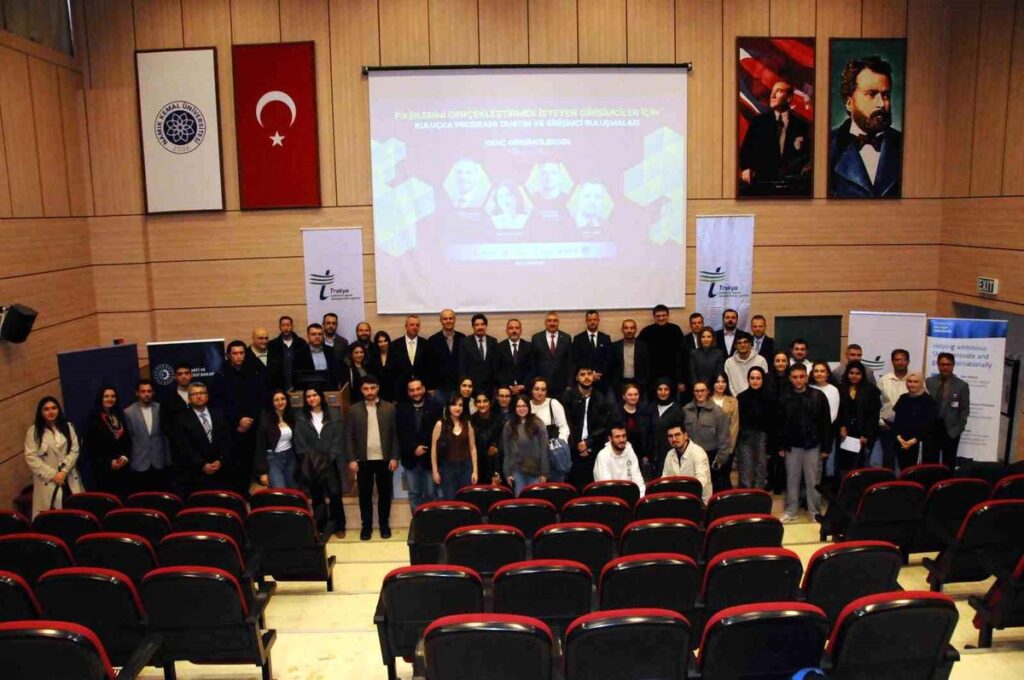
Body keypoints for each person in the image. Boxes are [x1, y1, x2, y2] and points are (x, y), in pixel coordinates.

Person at [828, 55, 903, 198]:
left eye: (886, 95)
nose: (881, 104)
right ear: (849, 102)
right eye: (871, 94)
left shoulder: (904, 146)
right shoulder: (827, 147)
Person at [345, 375, 400, 540]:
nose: (369, 391)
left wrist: (395, 457)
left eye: (372, 388)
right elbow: (349, 437)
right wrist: (352, 458)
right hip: (363, 460)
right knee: (364, 495)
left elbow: (395, 435)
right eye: (366, 389)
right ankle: (366, 527)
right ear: (361, 390)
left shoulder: (390, 408)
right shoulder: (354, 410)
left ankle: (384, 525)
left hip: (385, 459)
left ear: (378, 388)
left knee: (385, 494)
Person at [211, 340, 268, 494]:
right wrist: (238, 421)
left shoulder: (254, 373)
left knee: (248, 461)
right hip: (230, 428)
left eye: (241, 353)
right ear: (228, 355)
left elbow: (261, 399)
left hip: (251, 425)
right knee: (231, 462)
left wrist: (249, 420)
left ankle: (244, 493)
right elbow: (218, 403)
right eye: (235, 353)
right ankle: (233, 495)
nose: (238, 356)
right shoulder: (220, 376)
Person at [739, 77, 812, 197]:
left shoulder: (801, 125)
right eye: (772, 91)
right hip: (762, 186)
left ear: (789, 98)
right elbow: (745, 152)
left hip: (792, 189)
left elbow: (807, 155)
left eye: (779, 91)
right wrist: (746, 168)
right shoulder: (758, 122)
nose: (772, 95)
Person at [777, 364, 832, 523]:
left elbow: (825, 423)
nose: (798, 380)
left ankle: (814, 512)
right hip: (791, 445)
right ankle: (791, 511)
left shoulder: (818, 396)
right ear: (790, 378)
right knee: (792, 480)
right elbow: (779, 423)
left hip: (812, 445)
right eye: (795, 377)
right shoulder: (784, 397)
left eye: (801, 376)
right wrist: (780, 445)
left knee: (813, 480)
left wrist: (826, 447)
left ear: (807, 377)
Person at [294, 386, 347, 538]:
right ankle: (321, 526)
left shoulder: (334, 414)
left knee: (335, 494)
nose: (312, 398)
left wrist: (330, 456)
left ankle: (339, 526)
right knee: (317, 496)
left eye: (314, 395)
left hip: (330, 462)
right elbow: (300, 442)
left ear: (321, 396)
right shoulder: (301, 417)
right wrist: (312, 459)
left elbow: (338, 438)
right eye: (308, 396)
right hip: (312, 464)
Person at [24, 396, 84, 517]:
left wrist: (64, 471)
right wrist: (53, 475)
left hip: (68, 475)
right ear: (41, 412)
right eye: (46, 409)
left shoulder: (68, 426)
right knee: (53, 516)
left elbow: (75, 450)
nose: (51, 411)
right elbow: (31, 457)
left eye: (53, 408)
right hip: (48, 480)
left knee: (76, 512)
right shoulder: (34, 431)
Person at [172, 382, 232, 492]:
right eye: (194, 394)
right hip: (195, 474)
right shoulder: (181, 419)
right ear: (189, 399)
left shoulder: (219, 414)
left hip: (221, 470)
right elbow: (184, 447)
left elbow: (227, 439)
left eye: (201, 393)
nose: (199, 396)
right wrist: (202, 465)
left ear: (207, 396)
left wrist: (221, 460)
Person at [561, 364, 611, 490]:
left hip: (594, 447)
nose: (587, 377)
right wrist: (578, 444)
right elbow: (566, 423)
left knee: (593, 487)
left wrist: (588, 443)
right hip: (572, 448)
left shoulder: (600, 398)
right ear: (577, 378)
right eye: (582, 374)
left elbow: (603, 425)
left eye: (589, 374)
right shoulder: (568, 396)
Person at [396, 378, 443, 512]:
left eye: (418, 389)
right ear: (408, 392)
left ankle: (431, 520)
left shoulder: (436, 407)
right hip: (410, 459)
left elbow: (439, 432)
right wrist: (413, 449)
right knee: (414, 493)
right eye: (412, 390)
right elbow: (400, 433)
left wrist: (425, 448)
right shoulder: (401, 408)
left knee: (431, 493)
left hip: (430, 459)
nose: (416, 392)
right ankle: (417, 521)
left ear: (423, 389)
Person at [682, 381, 732, 494]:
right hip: (690, 456)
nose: (699, 394)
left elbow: (724, 438)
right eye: (697, 391)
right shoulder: (686, 410)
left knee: (710, 491)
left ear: (708, 391)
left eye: (702, 390)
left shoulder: (718, 412)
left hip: (710, 457)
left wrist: (719, 461)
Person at [123, 379, 171, 492]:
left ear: (153, 392)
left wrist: (168, 458)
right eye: (143, 391)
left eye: (149, 391)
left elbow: (165, 435)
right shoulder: (128, 412)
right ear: (137, 393)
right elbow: (128, 437)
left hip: (159, 459)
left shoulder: (161, 408)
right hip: (139, 460)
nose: (146, 394)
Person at [836, 361, 882, 477]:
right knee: (844, 463)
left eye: (857, 373)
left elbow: (873, 415)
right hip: (845, 431)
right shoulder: (840, 388)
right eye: (851, 373)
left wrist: (866, 434)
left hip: (862, 431)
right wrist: (841, 427)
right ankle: (844, 485)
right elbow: (838, 411)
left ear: (862, 375)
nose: (854, 376)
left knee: (860, 463)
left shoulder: (871, 390)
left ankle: (859, 486)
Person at [925, 353, 970, 468]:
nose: (945, 367)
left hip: (951, 429)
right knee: (930, 462)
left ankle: (948, 479)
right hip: (932, 428)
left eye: (948, 364)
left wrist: (959, 429)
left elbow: (964, 410)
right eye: (942, 364)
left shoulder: (962, 385)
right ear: (938, 365)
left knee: (949, 462)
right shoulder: (929, 382)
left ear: (953, 365)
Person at [86, 385, 132, 496]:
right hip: (104, 471)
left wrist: (125, 457)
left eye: (113, 396)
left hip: (123, 469)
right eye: (106, 396)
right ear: (100, 398)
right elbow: (91, 448)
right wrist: (109, 463)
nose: (110, 399)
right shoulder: (93, 419)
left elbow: (127, 440)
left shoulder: (120, 415)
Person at [431, 395, 478, 500]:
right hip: (447, 468)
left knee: (466, 500)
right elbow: (434, 449)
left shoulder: (468, 425)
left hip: (466, 467)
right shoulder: (440, 424)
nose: (458, 408)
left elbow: (473, 449)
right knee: (450, 500)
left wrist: (475, 471)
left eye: (460, 405)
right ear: (448, 407)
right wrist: (435, 471)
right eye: (454, 405)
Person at [736, 367, 774, 490]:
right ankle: (745, 497)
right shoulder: (741, 397)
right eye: (752, 378)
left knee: (761, 470)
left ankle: (758, 497)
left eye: (758, 378)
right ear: (748, 379)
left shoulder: (769, 398)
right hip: (745, 438)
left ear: (763, 379)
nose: (755, 381)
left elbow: (772, 423)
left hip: (763, 439)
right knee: (746, 471)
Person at [502, 394, 549, 491]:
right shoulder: (509, 425)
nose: (521, 409)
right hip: (517, 470)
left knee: (534, 498)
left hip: (535, 470)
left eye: (524, 406)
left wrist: (544, 472)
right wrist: (507, 473)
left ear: (529, 407)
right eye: (518, 406)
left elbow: (544, 449)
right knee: (519, 498)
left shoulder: (537, 423)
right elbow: (507, 451)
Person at [893, 373, 939, 471]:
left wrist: (913, 440)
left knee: (915, 472)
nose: (912, 384)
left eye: (916, 382)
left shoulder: (929, 401)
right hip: (902, 442)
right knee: (903, 471)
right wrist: (899, 437)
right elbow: (897, 420)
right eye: (909, 381)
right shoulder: (903, 398)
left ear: (922, 383)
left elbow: (928, 425)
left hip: (920, 444)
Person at [638, 305, 684, 401]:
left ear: (668, 316)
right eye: (658, 316)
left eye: (664, 315)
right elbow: (640, 355)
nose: (661, 318)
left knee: (671, 402)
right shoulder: (646, 332)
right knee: (653, 403)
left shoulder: (675, 330)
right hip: (652, 377)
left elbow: (682, 355)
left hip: (672, 375)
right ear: (654, 317)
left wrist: (681, 379)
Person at [254, 389, 298, 490]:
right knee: (279, 491)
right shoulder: (265, 417)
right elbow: (260, 445)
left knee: (292, 490)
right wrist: (262, 472)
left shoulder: (291, 416)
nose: (280, 402)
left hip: (290, 457)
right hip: (273, 459)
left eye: (283, 399)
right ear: (272, 402)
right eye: (276, 400)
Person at [528, 376, 569, 481]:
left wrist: (560, 447)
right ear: (531, 390)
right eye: (536, 389)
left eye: (543, 390)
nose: (540, 392)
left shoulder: (553, 403)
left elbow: (564, 428)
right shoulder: (527, 406)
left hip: (553, 454)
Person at [661, 423, 712, 503]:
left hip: (699, 500)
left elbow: (701, 482)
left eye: (677, 435)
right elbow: (664, 480)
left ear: (685, 436)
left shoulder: (698, 453)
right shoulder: (669, 454)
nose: (674, 439)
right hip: (677, 500)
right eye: (670, 436)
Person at [877, 348, 911, 469]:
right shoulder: (884, 380)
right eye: (897, 360)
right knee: (888, 460)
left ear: (908, 361)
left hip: (908, 427)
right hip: (888, 427)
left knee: (907, 462)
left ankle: (906, 482)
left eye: (903, 359)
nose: (900, 362)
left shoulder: (914, 380)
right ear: (892, 362)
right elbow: (876, 403)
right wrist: (880, 422)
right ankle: (888, 481)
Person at [391, 315, 437, 400]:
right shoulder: (395, 345)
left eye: (417, 325)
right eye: (412, 325)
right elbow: (393, 370)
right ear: (406, 326)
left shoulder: (426, 344)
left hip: (421, 389)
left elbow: (430, 368)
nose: (415, 327)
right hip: (402, 389)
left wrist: (430, 387)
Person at [615, 383, 655, 478]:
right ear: (624, 396)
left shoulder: (645, 411)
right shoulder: (616, 412)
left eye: (636, 394)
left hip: (641, 454)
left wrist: (647, 454)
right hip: (621, 453)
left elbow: (649, 434)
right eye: (630, 395)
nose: (633, 397)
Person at [593, 425, 646, 496]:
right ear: (610, 438)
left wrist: (641, 498)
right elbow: (607, 487)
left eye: (624, 436)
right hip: (609, 499)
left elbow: (638, 480)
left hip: (630, 496)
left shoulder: (630, 451)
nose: (621, 440)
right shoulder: (603, 455)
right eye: (617, 437)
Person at [426, 309, 464, 404]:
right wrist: (430, 387)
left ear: (454, 320)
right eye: (445, 319)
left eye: (450, 318)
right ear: (441, 321)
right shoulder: (433, 340)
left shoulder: (462, 338)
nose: (448, 321)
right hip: (439, 388)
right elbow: (429, 366)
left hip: (458, 386)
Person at [531, 311, 573, 395]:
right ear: (545, 323)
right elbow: (533, 363)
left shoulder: (566, 338)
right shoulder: (536, 338)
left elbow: (570, 363)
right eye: (549, 321)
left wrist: (569, 384)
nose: (552, 323)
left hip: (561, 385)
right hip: (542, 385)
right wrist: (534, 383)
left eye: (555, 321)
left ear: (558, 322)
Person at [571, 310, 613, 394]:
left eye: (595, 319)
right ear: (586, 321)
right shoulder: (578, 339)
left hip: (601, 380)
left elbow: (608, 360)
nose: (592, 322)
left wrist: (598, 374)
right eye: (590, 320)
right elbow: (576, 360)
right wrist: (590, 374)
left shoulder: (605, 338)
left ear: (598, 320)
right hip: (584, 381)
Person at [459, 313, 498, 397]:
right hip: (471, 387)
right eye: (477, 325)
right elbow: (462, 366)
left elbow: (495, 365)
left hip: (489, 388)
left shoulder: (493, 342)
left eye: (482, 324)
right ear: (473, 327)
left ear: (486, 326)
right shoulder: (465, 343)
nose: (480, 327)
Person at [650, 377, 684, 473]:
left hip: (670, 455)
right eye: (660, 389)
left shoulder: (676, 409)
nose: (663, 392)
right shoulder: (652, 407)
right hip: (653, 455)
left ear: (670, 391)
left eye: (666, 389)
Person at [611, 318, 650, 398]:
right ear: (622, 330)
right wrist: (615, 383)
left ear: (635, 330)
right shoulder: (615, 346)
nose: (629, 330)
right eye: (626, 328)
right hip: (620, 384)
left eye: (632, 328)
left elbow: (647, 366)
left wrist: (644, 382)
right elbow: (612, 367)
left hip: (639, 383)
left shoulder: (643, 346)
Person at [293, 323, 341, 390]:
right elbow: (298, 378)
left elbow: (335, 373)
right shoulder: (300, 353)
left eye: (320, 334)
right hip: (309, 392)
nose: (317, 336)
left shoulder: (330, 351)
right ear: (308, 335)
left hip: (329, 390)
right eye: (313, 334)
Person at [267, 315, 309, 391]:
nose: (286, 328)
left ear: (292, 326)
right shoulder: (272, 345)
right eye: (283, 325)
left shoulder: (301, 343)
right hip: (279, 387)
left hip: (299, 386)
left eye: (288, 325)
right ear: (279, 327)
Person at [495, 318, 535, 396]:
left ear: (521, 331)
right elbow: (496, 370)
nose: (514, 331)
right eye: (511, 328)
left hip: (525, 392)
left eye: (517, 328)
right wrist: (507, 386)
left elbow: (532, 369)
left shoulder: (529, 347)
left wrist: (524, 385)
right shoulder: (499, 347)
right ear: (507, 331)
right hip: (505, 392)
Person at [471, 392, 504, 484]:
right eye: (479, 401)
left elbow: (501, 446)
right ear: (475, 404)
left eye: (485, 401)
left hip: (494, 465)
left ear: (490, 402)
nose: (482, 404)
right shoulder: (471, 421)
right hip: (475, 466)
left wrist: (496, 472)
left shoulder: (498, 421)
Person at [367, 330, 398, 403]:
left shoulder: (396, 355)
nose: (383, 344)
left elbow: (398, 377)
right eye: (380, 342)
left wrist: (396, 397)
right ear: (376, 343)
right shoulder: (372, 357)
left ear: (388, 341)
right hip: (376, 393)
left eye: (385, 341)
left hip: (393, 393)